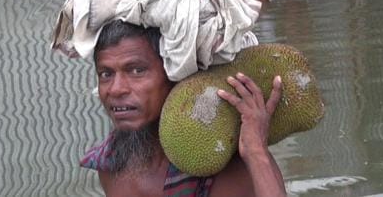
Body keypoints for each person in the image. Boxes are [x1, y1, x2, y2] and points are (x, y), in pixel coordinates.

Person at [81, 20, 286, 197]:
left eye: (137, 70)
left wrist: (256, 152)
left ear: (174, 74)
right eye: (105, 74)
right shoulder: (110, 164)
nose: (115, 90)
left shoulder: (224, 168)